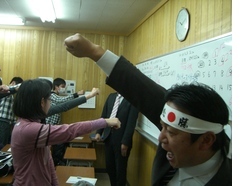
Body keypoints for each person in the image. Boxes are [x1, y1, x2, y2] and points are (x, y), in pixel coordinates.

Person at [64, 33, 231, 186]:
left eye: (171, 133)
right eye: (162, 126)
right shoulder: (179, 141)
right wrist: (95, 52)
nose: (161, 137)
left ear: (206, 141)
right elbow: (142, 89)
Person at [11, 78, 121, 186]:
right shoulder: (28, 129)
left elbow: (48, 160)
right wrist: (105, 122)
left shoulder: (30, 123)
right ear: (42, 102)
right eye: (49, 99)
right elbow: (69, 130)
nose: (50, 103)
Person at [95, 92, 139, 186]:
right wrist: (99, 132)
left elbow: (131, 123)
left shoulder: (132, 99)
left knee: (120, 170)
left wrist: (125, 142)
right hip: (108, 138)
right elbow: (104, 115)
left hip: (122, 141)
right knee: (109, 167)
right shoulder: (111, 97)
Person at [0, 77, 23, 148]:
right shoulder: (5, 90)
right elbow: (21, 86)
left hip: (6, 122)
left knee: (4, 143)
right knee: (1, 144)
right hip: (1, 120)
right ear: (13, 83)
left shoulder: (11, 95)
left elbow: (11, 111)